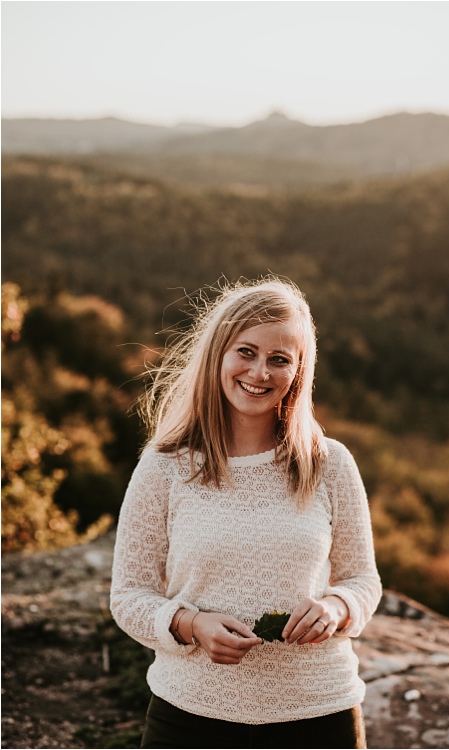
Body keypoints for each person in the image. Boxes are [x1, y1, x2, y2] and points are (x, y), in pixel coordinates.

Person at [111, 278, 382, 748]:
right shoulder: (165, 466)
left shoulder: (330, 462)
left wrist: (335, 608)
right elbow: (129, 595)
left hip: (319, 712)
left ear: (299, 371)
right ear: (219, 354)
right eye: (246, 352)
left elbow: (362, 581)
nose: (260, 372)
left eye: (279, 359)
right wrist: (190, 625)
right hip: (191, 714)